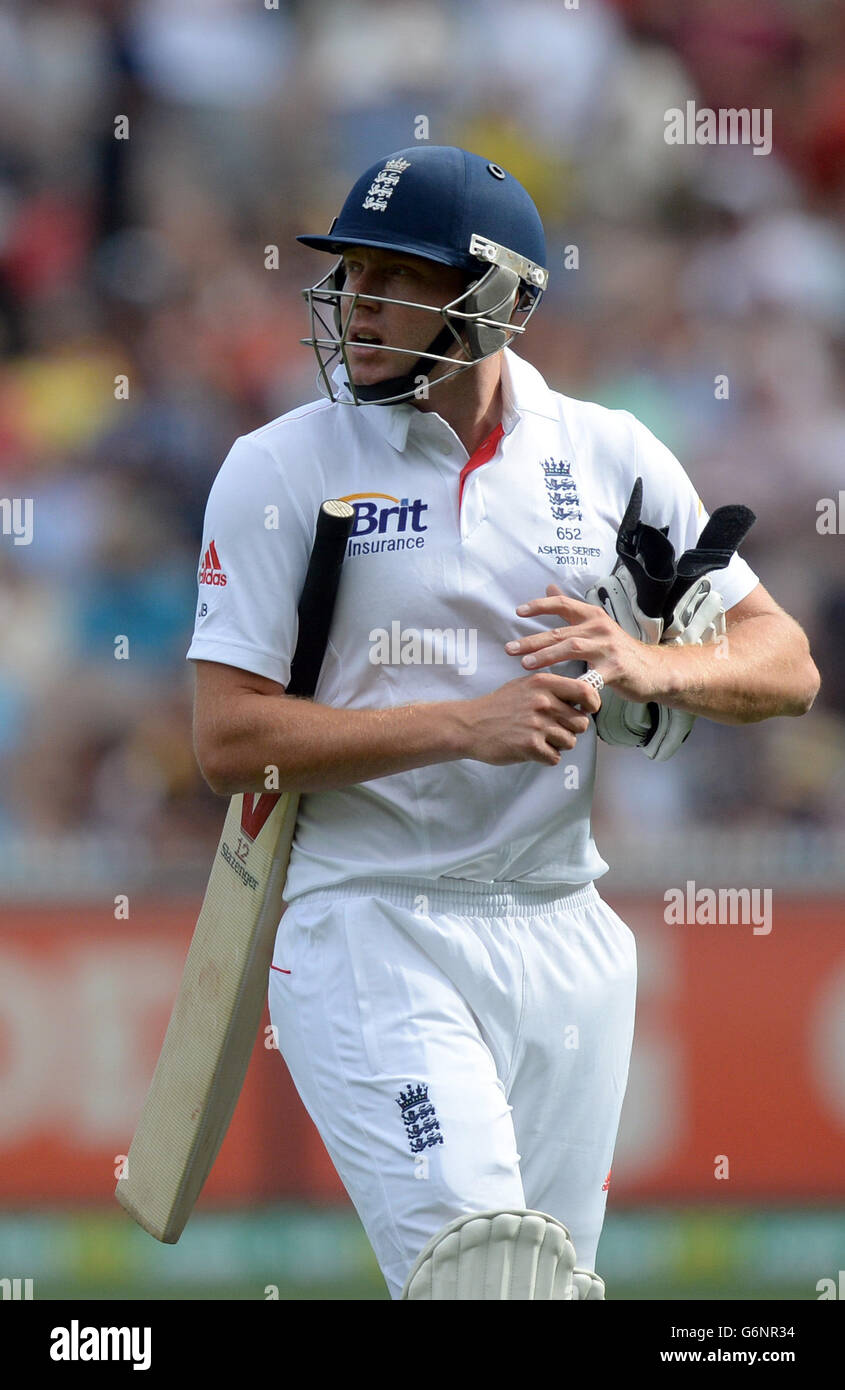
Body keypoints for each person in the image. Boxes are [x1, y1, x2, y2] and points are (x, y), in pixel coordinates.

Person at [187, 146, 819, 1300]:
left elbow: (786, 664)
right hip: (369, 920)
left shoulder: (607, 453)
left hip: (561, 927)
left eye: (396, 276)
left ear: (498, 300)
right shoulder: (279, 465)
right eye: (349, 273)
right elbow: (226, 739)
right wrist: (462, 723)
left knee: (541, 1290)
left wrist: (647, 663)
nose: (355, 305)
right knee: (485, 1274)